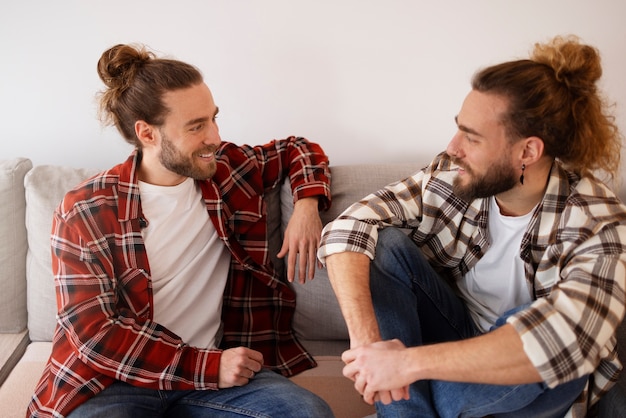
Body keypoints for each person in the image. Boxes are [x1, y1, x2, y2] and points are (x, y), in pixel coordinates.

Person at [318, 35, 626, 417]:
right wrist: (369, 347)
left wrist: (406, 365)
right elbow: (348, 227)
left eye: (472, 137)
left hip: (534, 376)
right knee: (382, 243)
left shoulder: (598, 223)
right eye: (458, 128)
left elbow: (560, 341)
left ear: (527, 152)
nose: (453, 146)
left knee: (527, 331)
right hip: (454, 334)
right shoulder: (452, 175)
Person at [27, 44, 334, 418]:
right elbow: (95, 334)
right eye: (196, 126)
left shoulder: (226, 171)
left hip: (213, 381)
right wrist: (205, 365)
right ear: (147, 134)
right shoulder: (85, 210)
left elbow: (298, 150)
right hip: (114, 382)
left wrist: (307, 205)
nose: (215, 137)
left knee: (307, 413)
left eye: (213, 119)